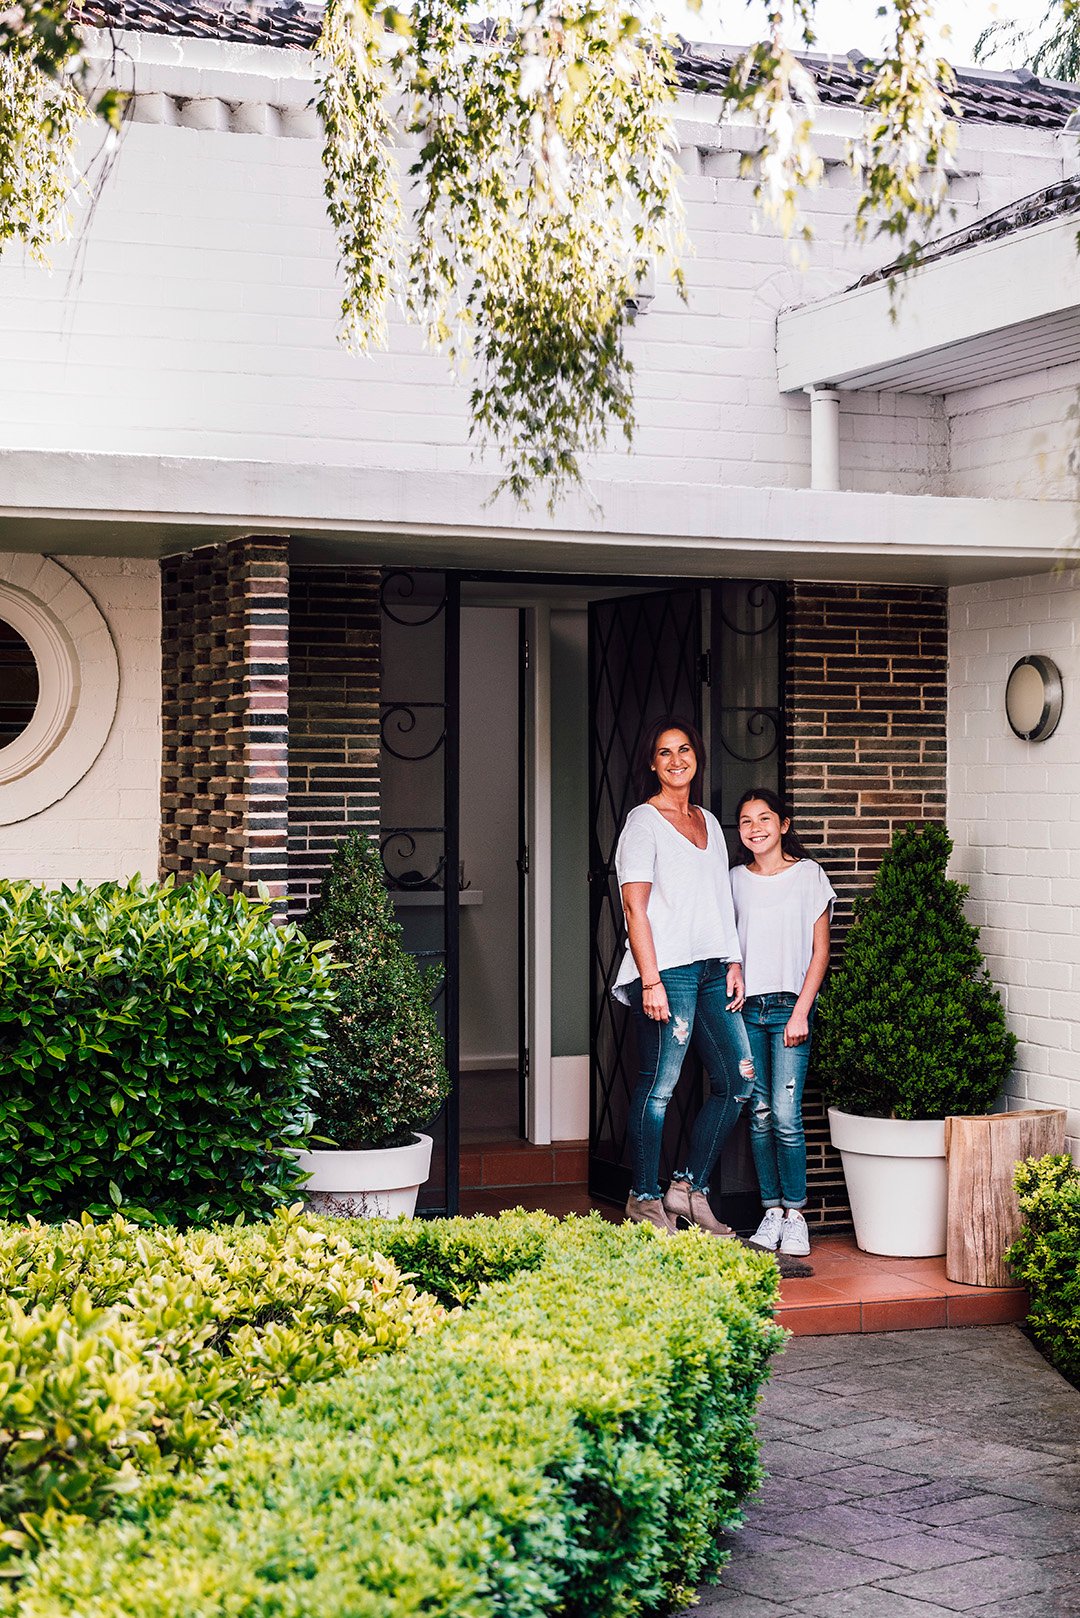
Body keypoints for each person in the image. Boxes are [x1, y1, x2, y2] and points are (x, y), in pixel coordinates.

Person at [613, 716, 756, 1236]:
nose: (676, 760)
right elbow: (635, 907)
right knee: (658, 1089)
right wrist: (649, 980)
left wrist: (734, 960)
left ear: (696, 757)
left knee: (738, 1082)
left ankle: (687, 1189)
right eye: (664, 752)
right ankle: (643, 1199)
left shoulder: (711, 824)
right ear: (652, 763)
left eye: (684, 750)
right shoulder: (642, 823)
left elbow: (720, 900)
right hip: (668, 973)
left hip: (714, 970)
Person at [730, 787, 835, 1259]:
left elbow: (821, 952)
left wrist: (801, 1012)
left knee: (788, 1117)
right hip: (746, 1009)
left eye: (764, 818)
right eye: (746, 821)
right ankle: (770, 1210)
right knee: (759, 1114)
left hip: (790, 1007)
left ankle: (796, 1216)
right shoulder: (733, 880)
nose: (755, 828)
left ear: (783, 825)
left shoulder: (809, 875)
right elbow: (727, 943)